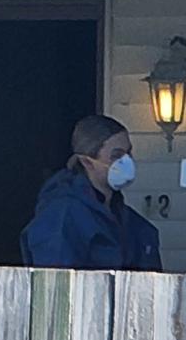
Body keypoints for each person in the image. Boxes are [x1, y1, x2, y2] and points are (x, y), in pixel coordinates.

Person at [20, 115, 162, 270]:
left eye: (128, 153)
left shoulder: (130, 221)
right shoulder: (61, 215)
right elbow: (55, 282)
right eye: (116, 156)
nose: (126, 161)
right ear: (87, 161)